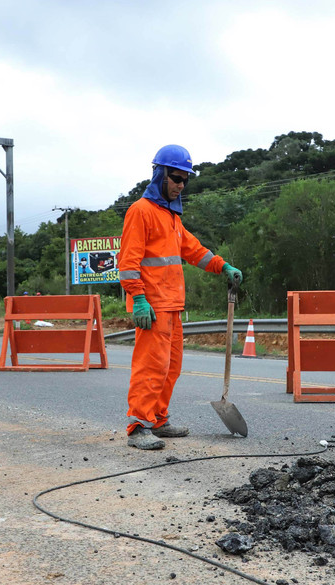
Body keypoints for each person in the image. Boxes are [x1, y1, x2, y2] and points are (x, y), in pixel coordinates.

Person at [119, 144, 243, 450]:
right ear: (160, 175)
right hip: (152, 307)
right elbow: (128, 264)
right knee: (151, 367)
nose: (181, 185)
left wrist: (222, 265)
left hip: (172, 306)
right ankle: (138, 425)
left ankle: (158, 419)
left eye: (185, 180)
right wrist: (138, 299)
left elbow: (194, 250)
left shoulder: (172, 218)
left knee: (170, 368)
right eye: (176, 178)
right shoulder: (141, 212)